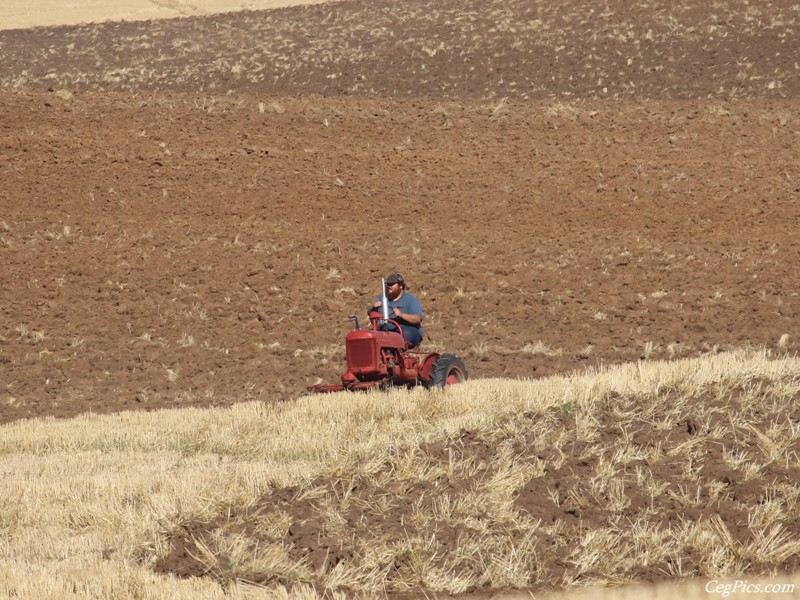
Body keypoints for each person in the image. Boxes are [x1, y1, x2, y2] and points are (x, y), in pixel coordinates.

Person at [369, 272, 424, 347]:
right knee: (368, 336)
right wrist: (374, 308)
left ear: (401, 286)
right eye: (387, 284)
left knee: (405, 334)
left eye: (392, 284)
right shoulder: (381, 297)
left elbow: (417, 319)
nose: (389, 286)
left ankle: (399, 352)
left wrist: (401, 315)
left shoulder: (410, 299)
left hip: (405, 330)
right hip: (385, 330)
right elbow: (371, 314)